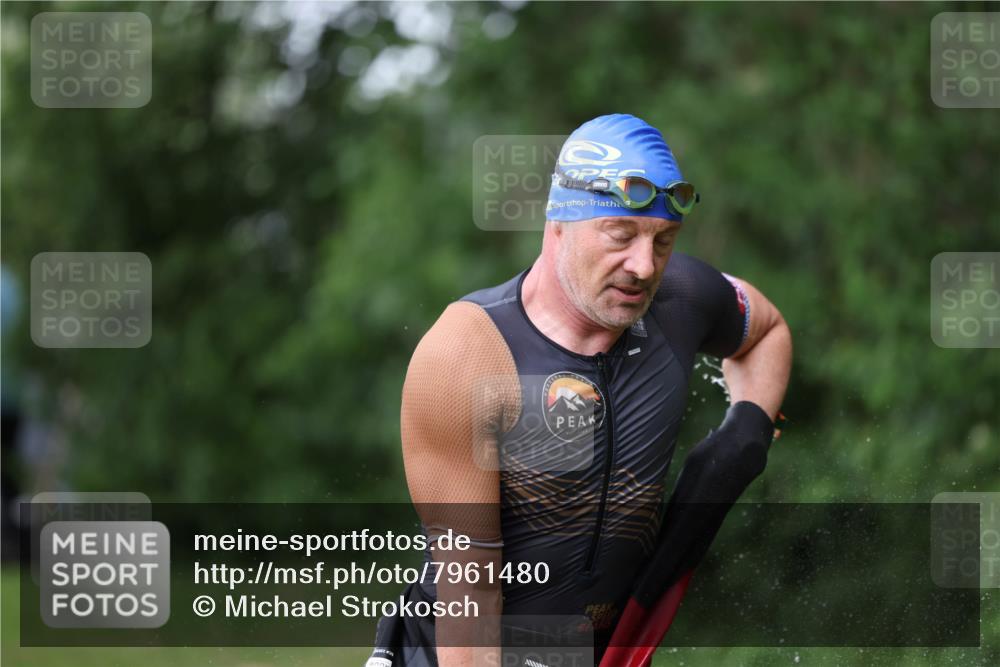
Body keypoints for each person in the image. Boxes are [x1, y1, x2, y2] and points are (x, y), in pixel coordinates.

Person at [369, 114, 792, 667]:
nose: (643, 266)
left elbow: (766, 330)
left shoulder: (681, 301)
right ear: (559, 222)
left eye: (663, 241)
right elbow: (471, 597)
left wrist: (748, 428)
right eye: (621, 236)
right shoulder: (469, 355)